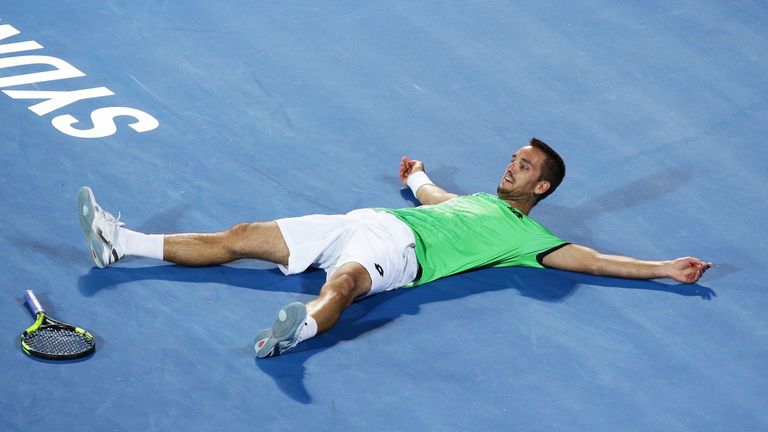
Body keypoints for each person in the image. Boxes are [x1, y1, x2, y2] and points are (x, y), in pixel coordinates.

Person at [77, 138, 711, 358]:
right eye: (513, 158)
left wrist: (661, 268)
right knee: (241, 237)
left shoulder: (530, 238)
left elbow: (595, 261)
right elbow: (434, 195)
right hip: (363, 219)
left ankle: (296, 333)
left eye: (523, 165)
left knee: (347, 284)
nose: (510, 166)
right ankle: (120, 241)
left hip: (400, 256)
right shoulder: (477, 204)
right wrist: (414, 178)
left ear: (541, 186)